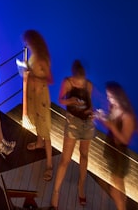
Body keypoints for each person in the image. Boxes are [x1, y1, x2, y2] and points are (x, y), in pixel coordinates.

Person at [50, 60, 96, 209]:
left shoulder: (89, 85)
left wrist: (92, 113)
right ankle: (55, 193)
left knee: (84, 155)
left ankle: (81, 186)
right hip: (73, 122)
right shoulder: (68, 82)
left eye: (82, 80)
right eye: (78, 79)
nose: (80, 83)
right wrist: (71, 100)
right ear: (74, 74)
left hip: (87, 123)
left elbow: (90, 104)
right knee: (65, 159)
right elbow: (60, 99)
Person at [96, 81, 137, 210]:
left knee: (115, 190)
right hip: (112, 151)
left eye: (110, 96)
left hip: (119, 156)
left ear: (118, 96)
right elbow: (110, 126)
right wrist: (101, 118)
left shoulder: (127, 116)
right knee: (118, 188)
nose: (108, 98)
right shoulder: (113, 108)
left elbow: (125, 140)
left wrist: (112, 126)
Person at [22, 29, 53, 179]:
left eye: (27, 41)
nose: (26, 44)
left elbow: (50, 79)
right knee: (36, 122)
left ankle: (49, 165)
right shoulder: (34, 57)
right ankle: (38, 142)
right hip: (33, 96)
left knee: (45, 129)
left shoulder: (42, 59)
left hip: (41, 98)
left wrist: (32, 76)